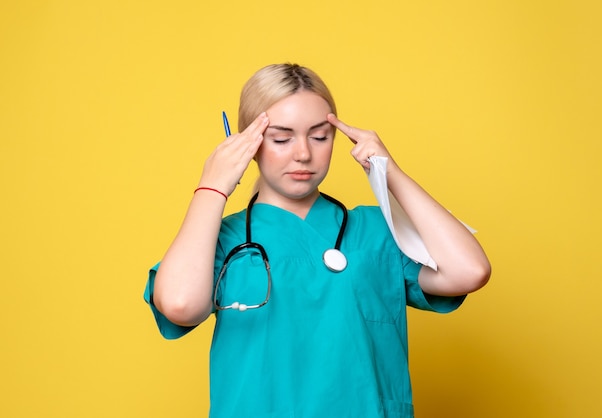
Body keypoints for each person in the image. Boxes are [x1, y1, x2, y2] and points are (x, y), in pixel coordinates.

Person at [144, 63, 491, 418]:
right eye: (281, 138)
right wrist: (213, 186)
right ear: (248, 143)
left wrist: (390, 173)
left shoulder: (376, 231)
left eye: (320, 136)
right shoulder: (222, 241)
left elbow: (470, 270)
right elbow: (180, 305)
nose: (303, 154)